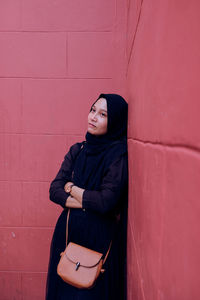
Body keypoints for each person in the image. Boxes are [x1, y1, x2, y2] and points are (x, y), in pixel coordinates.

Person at [46, 93, 128, 300]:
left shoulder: (118, 155)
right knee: (64, 289)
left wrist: (72, 188)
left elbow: (106, 202)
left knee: (92, 292)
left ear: (116, 121)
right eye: (93, 110)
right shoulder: (78, 150)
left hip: (99, 237)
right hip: (67, 233)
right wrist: (87, 201)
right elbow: (54, 190)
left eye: (103, 114)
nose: (93, 117)